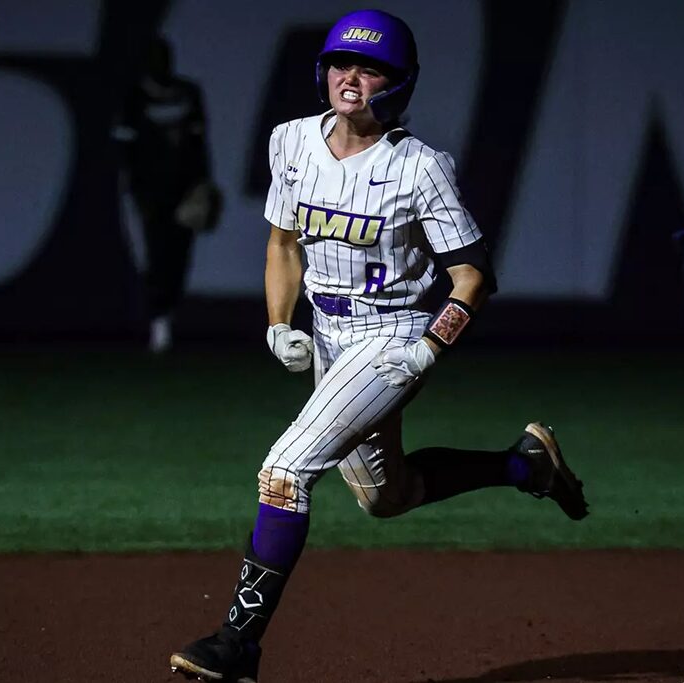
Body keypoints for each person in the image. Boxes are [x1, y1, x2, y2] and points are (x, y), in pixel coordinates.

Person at [167, 10, 588, 681]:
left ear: (398, 84)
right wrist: (279, 322)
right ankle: (526, 464)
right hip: (330, 337)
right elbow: (282, 243)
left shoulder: (420, 168)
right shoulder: (292, 143)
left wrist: (428, 347)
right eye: (340, 63)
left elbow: (473, 275)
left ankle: (238, 644)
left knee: (285, 470)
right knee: (386, 496)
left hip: (392, 336)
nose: (350, 78)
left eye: (369, 68)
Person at [114, 35, 221, 354]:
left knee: (178, 256)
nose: (160, 63)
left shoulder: (188, 93)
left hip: (185, 191)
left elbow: (200, 145)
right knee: (156, 255)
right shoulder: (134, 97)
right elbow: (125, 150)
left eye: (164, 56)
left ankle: (168, 318)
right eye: (153, 57)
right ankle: (157, 323)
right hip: (149, 193)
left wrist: (204, 185)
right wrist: (135, 192)